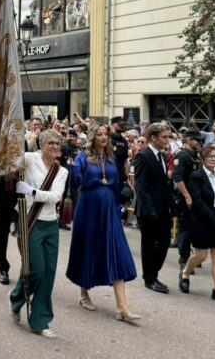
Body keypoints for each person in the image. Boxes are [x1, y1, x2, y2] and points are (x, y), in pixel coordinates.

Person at [66, 123, 139, 318]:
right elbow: (76, 182)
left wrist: (117, 207)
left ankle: (122, 306)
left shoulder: (111, 157)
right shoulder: (83, 156)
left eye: (105, 134)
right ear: (92, 137)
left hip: (109, 209)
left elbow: (115, 185)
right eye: (99, 134)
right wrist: (73, 168)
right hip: (89, 207)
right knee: (87, 247)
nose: (103, 137)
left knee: (116, 248)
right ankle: (84, 293)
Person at [11, 130, 68, 338]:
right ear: (41, 144)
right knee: (35, 269)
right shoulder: (28, 159)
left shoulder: (62, 172)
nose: (55, 146)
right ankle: (17, 297)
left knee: (49, 273)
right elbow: (9, 158)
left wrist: (31, 191)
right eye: (51, 143)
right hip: (30, 222)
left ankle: (40, 320)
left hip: (50, 224)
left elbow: (55, 197)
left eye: (58, 143)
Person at [178, 146, 215, 305]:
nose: (213, 158)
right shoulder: (195, 176)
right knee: (201, 255)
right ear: (202, 159)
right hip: (202, 220)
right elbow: (197, 202)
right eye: (209, 156)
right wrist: (214, 221)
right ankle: (185, 272)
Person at [133, 122, 173, 294]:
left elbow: (163, 184)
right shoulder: (143, 156)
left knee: (164, 242)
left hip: (163, 209)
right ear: (154, 137)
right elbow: (140, 187)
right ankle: (150, 278)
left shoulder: (163, 156)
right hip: (149, 210)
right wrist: (151, 211)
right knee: (149, 244)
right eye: (164, 137)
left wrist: (171, 206)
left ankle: (153, 274)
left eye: (168, 136)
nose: (167, 140)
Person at [172, 129, 203, 269]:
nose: (199, 143)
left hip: (196, 197)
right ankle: (183, 259)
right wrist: (186, 195)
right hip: (185, 198)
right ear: (189, 140)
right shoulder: (182, 155)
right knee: (185, 229)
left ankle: (194, 257)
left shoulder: (196, 155)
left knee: (195, 228)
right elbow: (177, 177)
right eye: (197, 140)